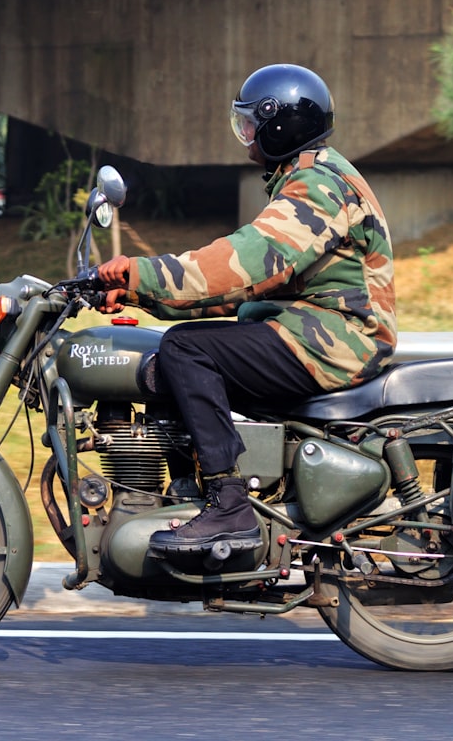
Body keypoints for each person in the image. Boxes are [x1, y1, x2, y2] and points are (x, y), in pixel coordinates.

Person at [97, 63, 397, 556]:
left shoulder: (317, 186)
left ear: (282, 125)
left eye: (251, 124)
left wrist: (139, 276)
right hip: (317, 329)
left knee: (186, 350)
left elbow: (243, 266)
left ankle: (229, 506)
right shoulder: (311, 173)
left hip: (337, 339)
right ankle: (188, 492)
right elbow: (241, 285)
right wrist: (136, 291)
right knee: (188, 348)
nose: (248, 135)